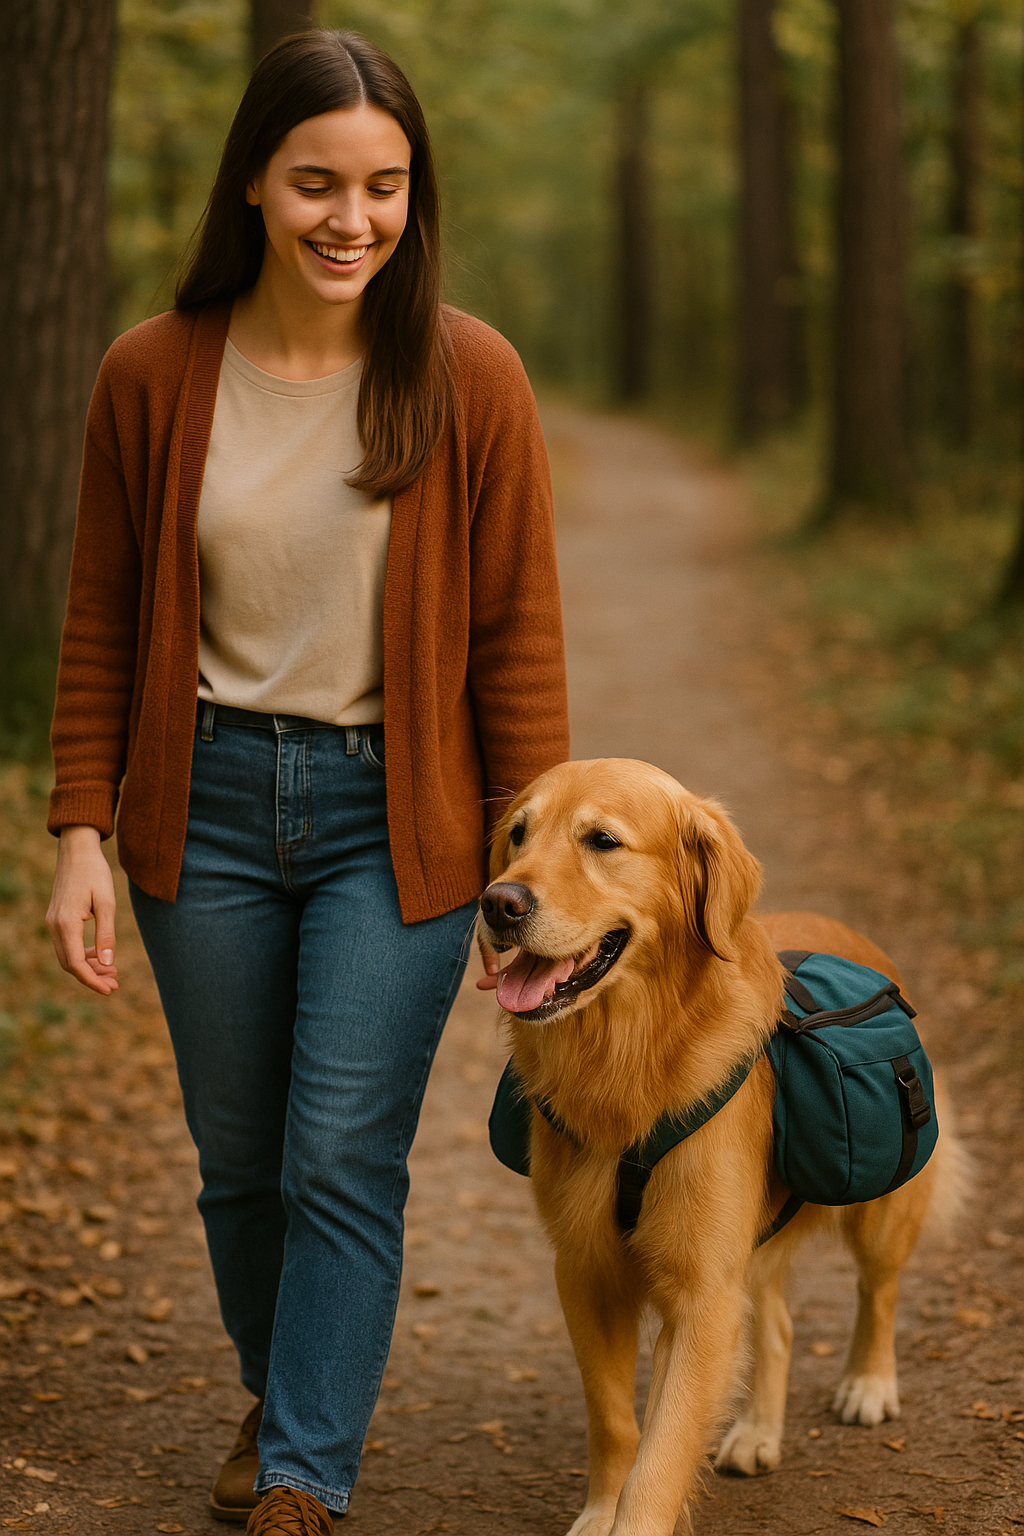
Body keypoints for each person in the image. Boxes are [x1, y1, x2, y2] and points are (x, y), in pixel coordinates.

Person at [45, 30, 568, 1536]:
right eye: (319, 184)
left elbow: (517, 639)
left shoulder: (470, 375)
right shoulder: (152, 373)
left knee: (340, 1149)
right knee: (238, 1167)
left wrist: (541, 878)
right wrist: (81, 826)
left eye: (386, 187)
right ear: (257, 187)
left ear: (417, 195)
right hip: (196, 810)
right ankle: (284, 1396)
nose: (354, 219)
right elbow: (98, 615)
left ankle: (301, 1472)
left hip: (396, 823)